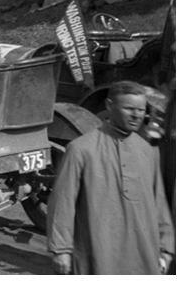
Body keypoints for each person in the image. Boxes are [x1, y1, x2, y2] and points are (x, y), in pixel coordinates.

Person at [47, 81, 175, 275]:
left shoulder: (148, 151)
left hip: (143, 254)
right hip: (98, 251)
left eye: (141, 110)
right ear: (109, 105)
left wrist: (166, 248)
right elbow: (63, 202)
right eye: (129, 108)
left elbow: (159, 202)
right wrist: (61, 250)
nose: (136, 115)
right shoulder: (82, 149)